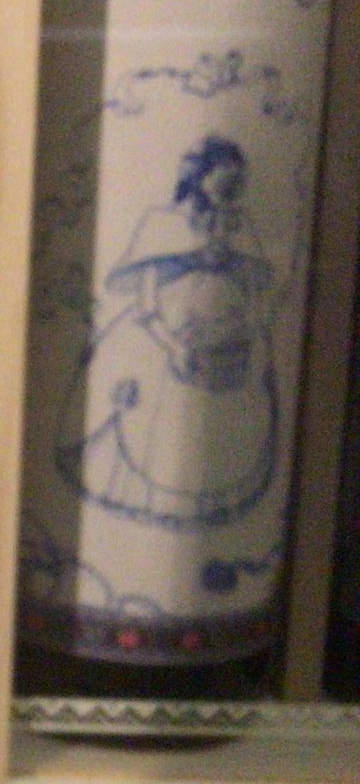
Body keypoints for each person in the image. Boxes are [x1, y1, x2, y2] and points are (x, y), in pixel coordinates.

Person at [56, 135, 276, 531]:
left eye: (237, 181)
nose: (231, 188)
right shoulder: (163, 223)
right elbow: (147, 307)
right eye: (223, 178)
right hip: (164, 337)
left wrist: (246, 329)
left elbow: (254, 294)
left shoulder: (240, 226)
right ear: (200, 177)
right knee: (154, 421)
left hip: (225, 341)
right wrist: (173, 346)